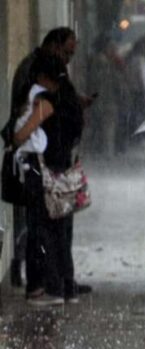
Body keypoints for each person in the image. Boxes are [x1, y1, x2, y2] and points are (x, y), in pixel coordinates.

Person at [3, 27, 93, 298]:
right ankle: (41, 283)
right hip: (41, 167)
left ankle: (59, 281)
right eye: (66, 52)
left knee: (54, 225)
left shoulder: (48, 87)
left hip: (54, 165)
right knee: (43, 227)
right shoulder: (37, 85)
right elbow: (19, 135)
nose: (68, 59)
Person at [13, 54, 81, 306]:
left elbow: (20, 137)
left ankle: (47, 287)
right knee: (60, 231)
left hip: (42, 173)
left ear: (42, 77)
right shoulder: (67, 100)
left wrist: (17, 127)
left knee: (42, 229)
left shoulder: (44, 103)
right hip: (61, 170)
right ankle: (66, 285)